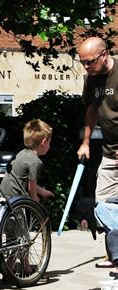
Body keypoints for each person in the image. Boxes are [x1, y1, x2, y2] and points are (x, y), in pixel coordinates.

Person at [77, 36, 117, 268]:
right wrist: (85, 142)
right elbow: (92, 111)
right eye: (82, 62)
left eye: (90, 62)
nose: (86, 67)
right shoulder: (91, 79)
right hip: (109, 152)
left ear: (104, 54)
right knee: (102, 206)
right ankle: (114, 252)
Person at [0, 119, 55, 203]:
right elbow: (31, 186)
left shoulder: (22, 153)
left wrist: (43, 192)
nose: (49, 146)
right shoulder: (35, 162)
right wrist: (35, 199)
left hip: (4, 195)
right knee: (22, 215)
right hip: (15, 200)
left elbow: (28, 182)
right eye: (49, 142)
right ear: (43, 142)